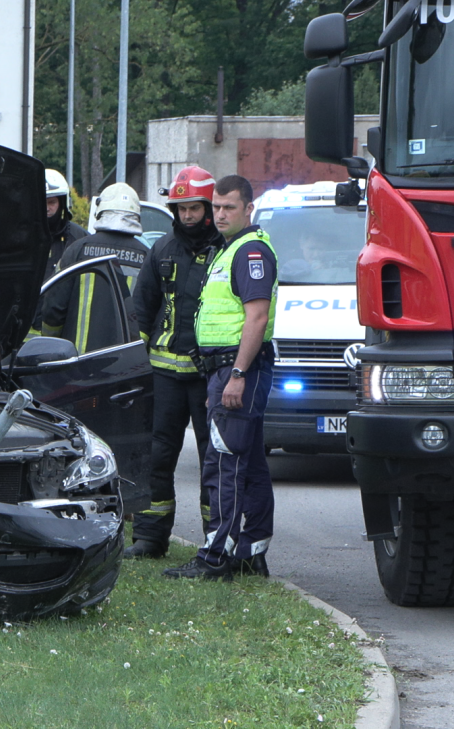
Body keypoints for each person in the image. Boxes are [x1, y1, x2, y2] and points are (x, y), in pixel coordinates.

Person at [164, 175, 278, 581]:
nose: (220, 214)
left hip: (237, 370)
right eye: (216, 207)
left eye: (229, 207)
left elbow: (257, 317)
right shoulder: (228, 251)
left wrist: (237, 375)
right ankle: (250, 551)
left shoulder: (249, 252)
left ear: (249, 208)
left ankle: (216, 557)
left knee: (224, 462)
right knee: (248, 463)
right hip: (225, 371)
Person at [125, 166, 223, 558]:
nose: (186, 217)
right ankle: (150, 538)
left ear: (208, 207)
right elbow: (141, 309)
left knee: (213, 458)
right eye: (180, 209)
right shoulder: (161, 250)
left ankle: (216, 536)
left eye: (193, 209)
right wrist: (136, 365)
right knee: (156, 455)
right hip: (163, 374)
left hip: (206, 375)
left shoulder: (224, 252)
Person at [34, 182, 149, 353]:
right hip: (126, 366)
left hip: (78, 363)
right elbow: (151, 314)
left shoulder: (77, 250)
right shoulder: (146, 256)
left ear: (100, 211)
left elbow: (54, 307)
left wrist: (52, 344)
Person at [43, 168, 86, 278]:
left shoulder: (79, 238)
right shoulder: (23, 237)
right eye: (42, 202)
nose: (47, 208)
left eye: (52, 202)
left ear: (62, 203)